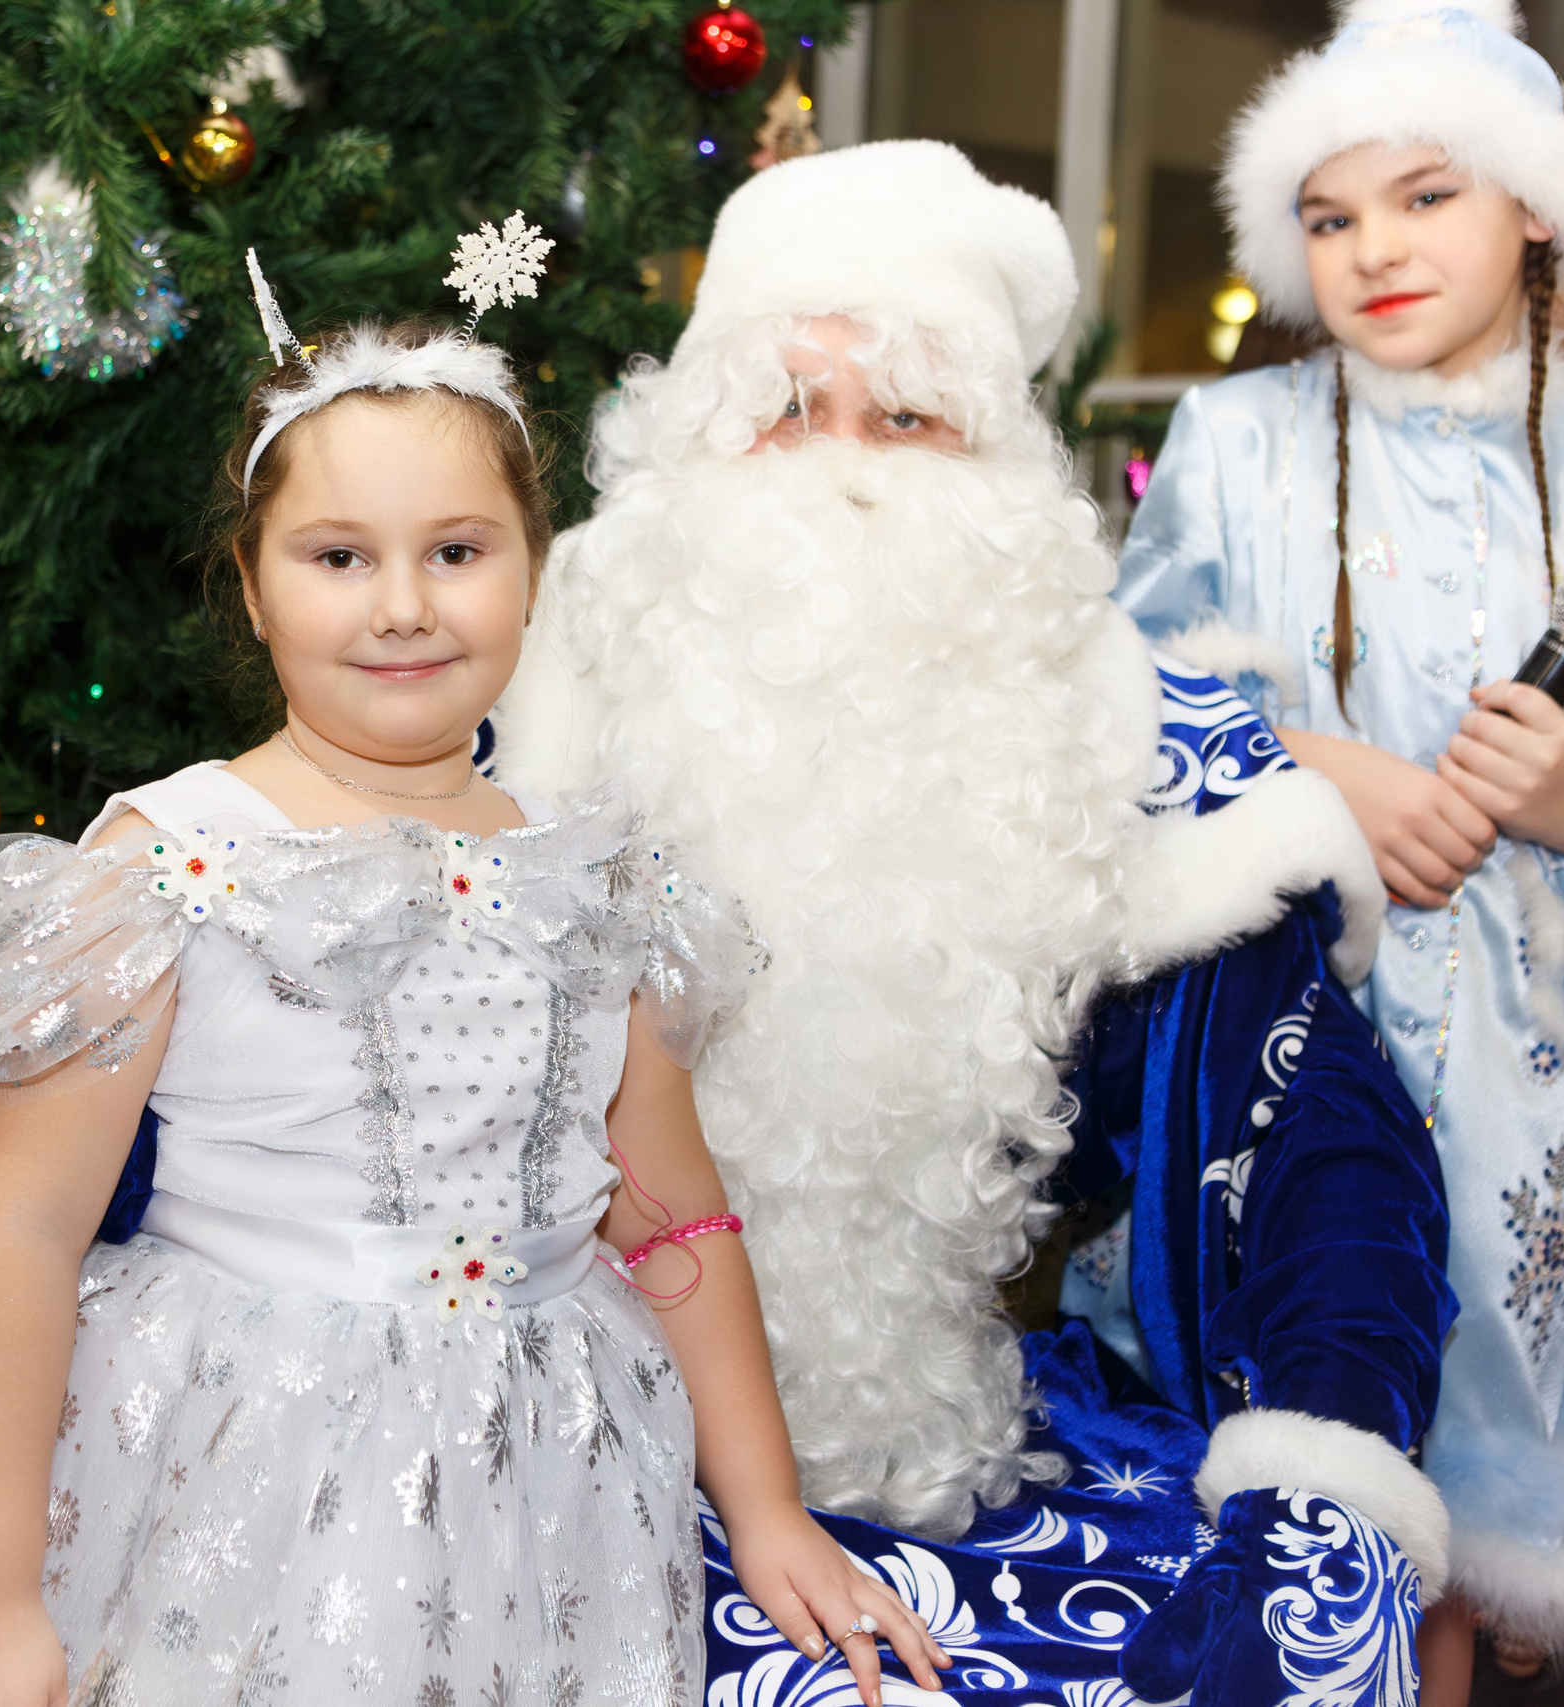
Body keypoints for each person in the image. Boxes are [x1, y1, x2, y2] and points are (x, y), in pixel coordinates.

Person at [0, 238, 952, 1707]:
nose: (403, 605)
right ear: (255, 582)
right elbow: (19, 1236)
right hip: (244, 1470)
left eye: (458, 552)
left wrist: (769, 1509)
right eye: (339, 556)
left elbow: (671, 1216)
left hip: (550, 1472)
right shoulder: (169, 861)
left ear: (532, 568)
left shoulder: (596, 878)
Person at [496, 138, 1452, 1703]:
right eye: (787, 409)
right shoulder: (522, 688)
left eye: (908, 416)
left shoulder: (1126, 735)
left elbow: (1315, 1127)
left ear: (999, 467)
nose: (843, 464)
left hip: (962, 1443)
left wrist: (1326, 1465)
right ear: (696, 432)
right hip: (544, 1432)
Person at [1117, 0, 1564, 1682]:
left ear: (1537, 208)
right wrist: (1313, 770)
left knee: (1477, 1546)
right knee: (1320, 1494)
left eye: (1425, 196)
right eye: (1330, 217)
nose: (1372, 250)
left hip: (1530, 1088)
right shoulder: (1236, 449)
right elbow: (1117, 705)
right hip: (1293, 1044)